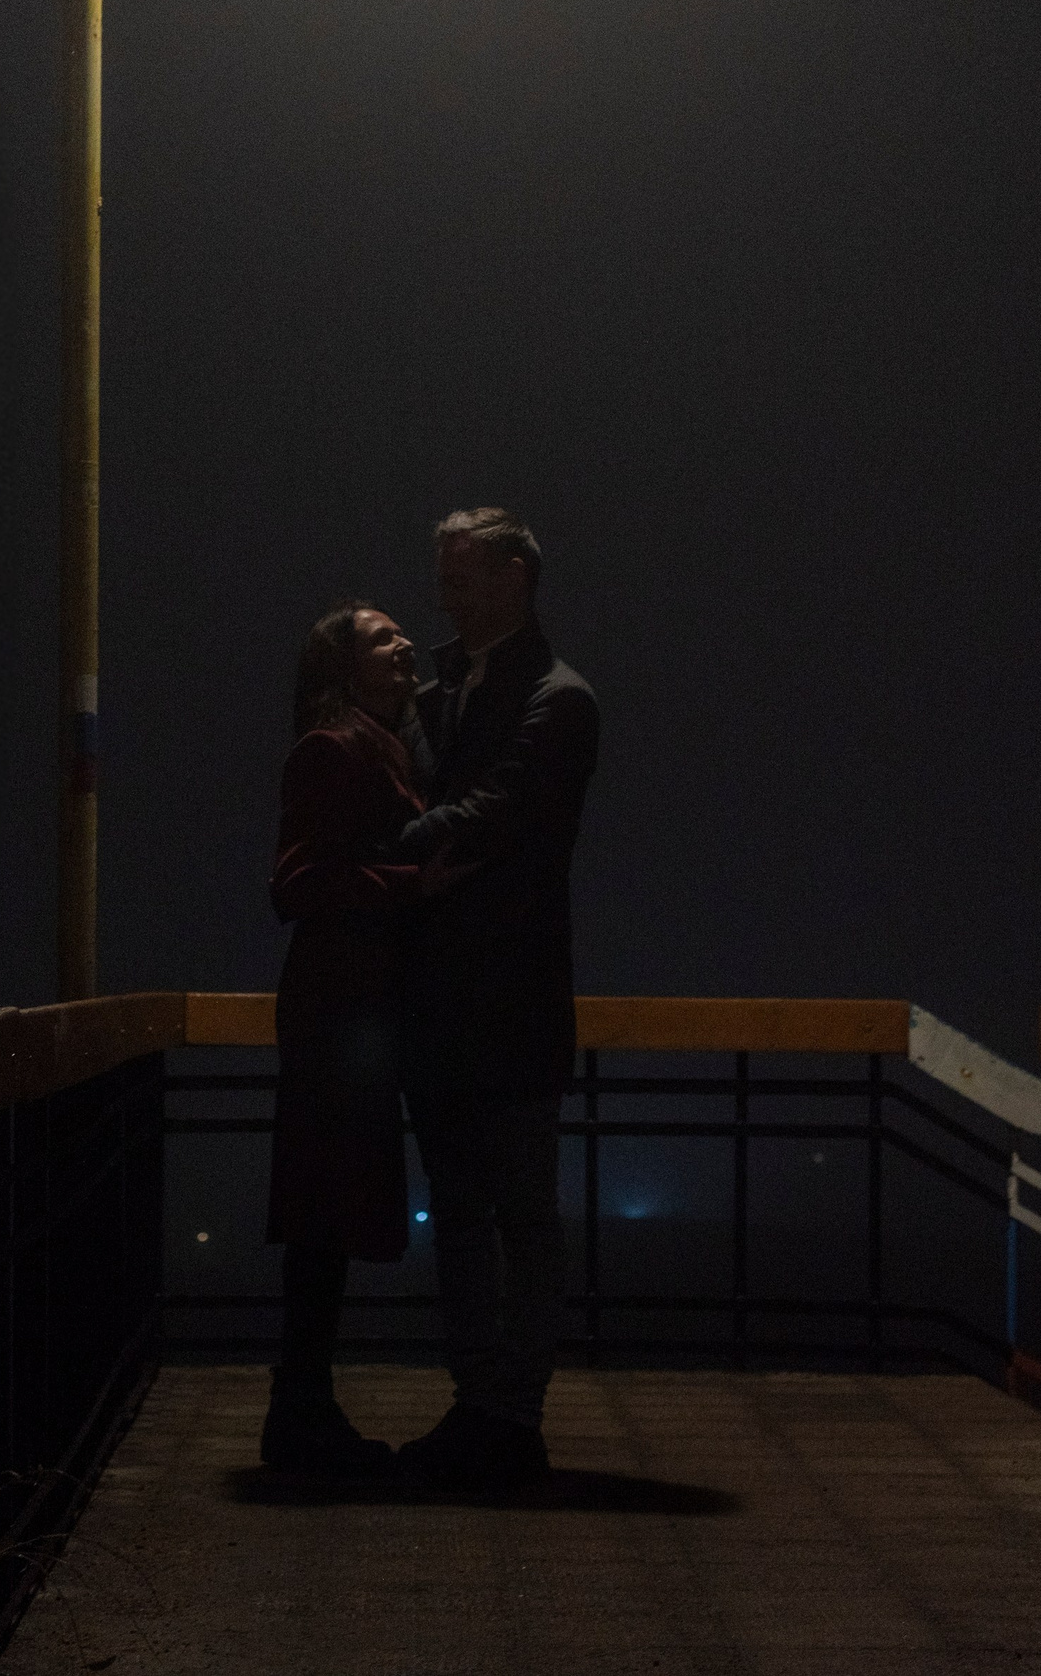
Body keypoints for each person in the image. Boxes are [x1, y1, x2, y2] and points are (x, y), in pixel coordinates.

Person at [388, 507, 599, 1490]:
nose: (445, 593)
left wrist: (385, 850)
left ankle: (504, 1413)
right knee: (481, 1216)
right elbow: (489, 811)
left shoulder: (557, 701)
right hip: (464, 1000)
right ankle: (491, 1410)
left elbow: (502, 808)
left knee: (506, 1214)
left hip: (499, 1000)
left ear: (517, 575)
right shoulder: (490, 695)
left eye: (460, 574)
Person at [261, 600, 429, 1482]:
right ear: (343, 668)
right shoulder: (332, 749)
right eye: (381, 639)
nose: (405, 645)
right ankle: (300, 1416)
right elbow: (298, 883)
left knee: (328, 1212)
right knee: (324, 1212)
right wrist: (419, 881)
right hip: (337, 1014)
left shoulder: (383, 743)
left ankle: (304, 1411)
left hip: (356, 1014)